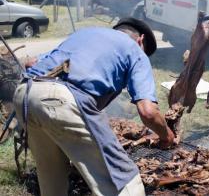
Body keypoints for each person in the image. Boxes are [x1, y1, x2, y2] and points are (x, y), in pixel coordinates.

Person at [13, 17, 175, 196]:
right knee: (124, 181)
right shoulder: (135, 50)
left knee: (51, 176)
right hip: (60, 99)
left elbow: (31, 63)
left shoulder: (84, 34)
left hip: (25, 94)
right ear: (141, 40)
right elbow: (148, 112)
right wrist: (166, 135)